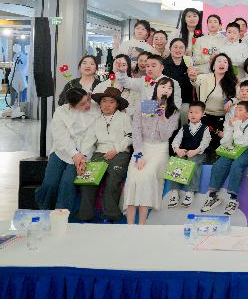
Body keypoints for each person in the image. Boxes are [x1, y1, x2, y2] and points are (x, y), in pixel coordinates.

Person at [123, 77, 179, 225]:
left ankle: (142, 224)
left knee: (146, 177)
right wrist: (139, 154)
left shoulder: (174, 111)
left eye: (169, 88)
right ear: (156, 88)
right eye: (163, 86)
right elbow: (136, 130)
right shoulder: (145, 105)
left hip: (159, 149)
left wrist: (163, 117)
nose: (166, 90)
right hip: (142, 147)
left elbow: (165, 136)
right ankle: (129, 225)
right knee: (133, 178)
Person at [76, 87, 132, 222]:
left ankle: (110, 215)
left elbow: (131, 136)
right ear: (100, 103)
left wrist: (116, 149)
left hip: (120, 153)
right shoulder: (96, 120)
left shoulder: (124, 117)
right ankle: (85, 216)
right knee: (88, 180)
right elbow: (89, 141)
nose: (107, 105)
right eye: (104, 101)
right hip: (99, 153)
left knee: (112, 180)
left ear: (117, 104)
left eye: (111, 102)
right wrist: (83, 158)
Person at [36, 88, 95, 212]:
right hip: (61, 151)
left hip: (84, 153)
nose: (87, 105)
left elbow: (91, 137)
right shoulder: (60, 112)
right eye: (82, 104)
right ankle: (45, 210)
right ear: (71, 105)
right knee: (50, 183)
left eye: (87, 100)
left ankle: (63, 215)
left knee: (67, 183)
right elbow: (60, 137)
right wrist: (74, 154)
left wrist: (81, 157)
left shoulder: (94, 111)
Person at [201, 101, 248, 216]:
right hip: (234, 147)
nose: (236, 111)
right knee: (219, 164)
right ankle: (213, 196)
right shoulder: (231, 122)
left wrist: (236, 126)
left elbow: (241, 142)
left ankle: (233, 200)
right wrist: (228, 128)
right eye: (236, 109)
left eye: (240, 109)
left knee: (236, 166)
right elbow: (225, 143)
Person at [165, 101, 210, 209]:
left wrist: (196, 151)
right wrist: (177, 149)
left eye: (196, 112)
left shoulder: (205, 128)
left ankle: (190, 191)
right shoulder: (184, 127)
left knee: (193, 162)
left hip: (198, 153)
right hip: (185, 151)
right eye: (190, 112)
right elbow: (176, 140)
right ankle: (174, 192)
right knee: (176, 161)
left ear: (202, 114)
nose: (193, 114)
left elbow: (205, 142)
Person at [189, 53, 238, 151]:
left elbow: (238, 97)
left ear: (228, 67)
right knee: (200, 143)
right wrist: (193, 78)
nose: (222, 64)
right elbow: (196, 82)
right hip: (204, 116)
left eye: (225, 62)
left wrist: (231, 100)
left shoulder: (233, 82)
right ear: (213, 66)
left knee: (217, 144)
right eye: (219, 61)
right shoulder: (204, 77)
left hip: (222, 118)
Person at [161, 38, 193, 115]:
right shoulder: (162, 64)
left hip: (185, 101)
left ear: (185, 50)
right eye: (175, 47)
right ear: (170, 48)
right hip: (167, 101)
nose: (178, 50)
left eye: (181, 47)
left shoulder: (189, 63)